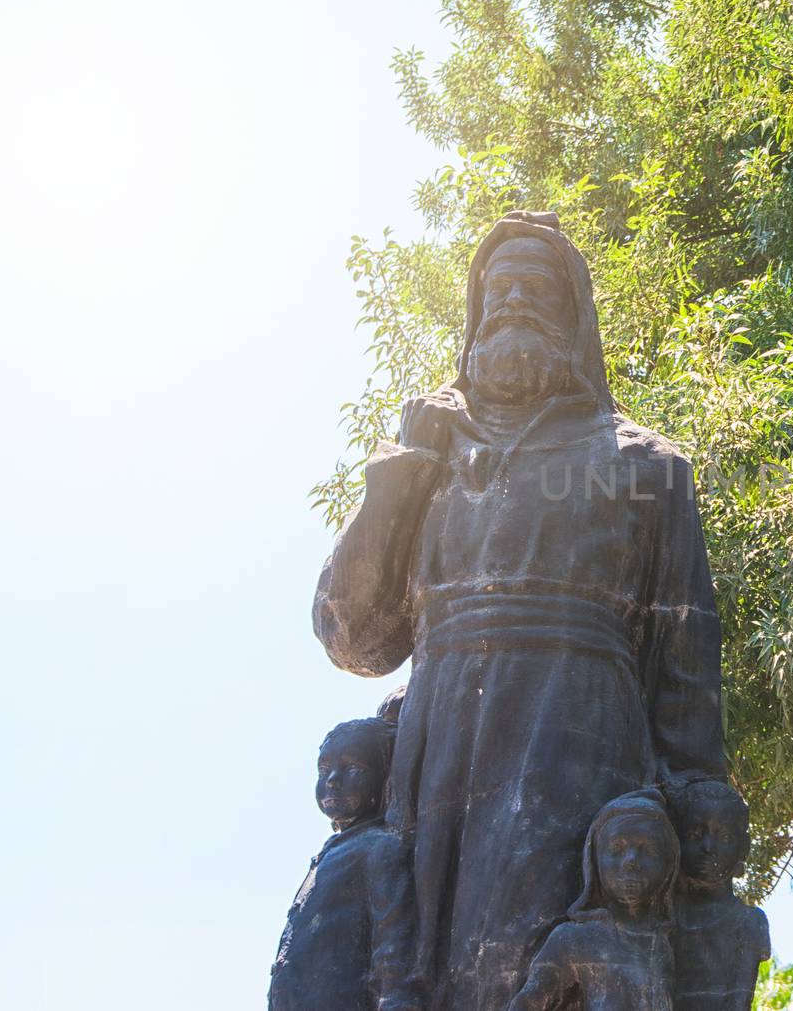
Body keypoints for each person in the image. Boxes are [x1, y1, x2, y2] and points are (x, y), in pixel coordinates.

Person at [314, 211, 726, 1010]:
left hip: (579, 748)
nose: (510, 299)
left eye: (534, 285)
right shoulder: (428, 457)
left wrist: (699, 849)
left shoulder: (649, 467)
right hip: (434, 763)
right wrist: (403, 469)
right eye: (495, 286)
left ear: (573, 316)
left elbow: (686, 679)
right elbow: (355, 639)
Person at [269, 717, 419, 1011]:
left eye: (354, 768)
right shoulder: (336, 851)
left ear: (385, 776)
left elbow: (394, 946)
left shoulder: (380, 848)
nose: (333, 780)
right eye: (324, 770)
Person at [506, 789, 680, 1011]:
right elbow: (527, 1003)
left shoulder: (662, 944)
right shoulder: (573, 939)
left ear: (669, 866)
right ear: (595, 860)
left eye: (648, 849)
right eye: (617, 848)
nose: (631, 861)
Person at [668, 780, 769, 1011]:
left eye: (724, 838)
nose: (708, 846)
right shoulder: (663, 914)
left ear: (743, 847)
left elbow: (738, 1003)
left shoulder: (749, 922)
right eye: (695, 834)